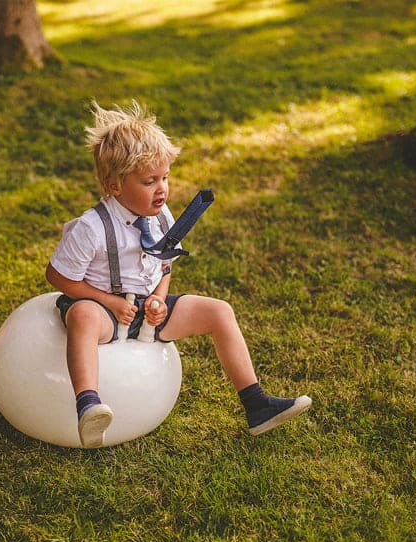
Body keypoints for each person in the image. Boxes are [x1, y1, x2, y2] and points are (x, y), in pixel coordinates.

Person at [46, 100, 311, 447]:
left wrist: (158, 298)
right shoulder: (91, 228)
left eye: (165, 177)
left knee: (219, 311)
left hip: (145, 310)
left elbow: (164, 262)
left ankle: (256, 403)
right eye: (149, 181)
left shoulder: (161, 216)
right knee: (81, 315)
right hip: (103, 312)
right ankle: (88, 406)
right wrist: (106, 301)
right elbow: (58, 277)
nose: (162, 189)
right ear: (114, 186)